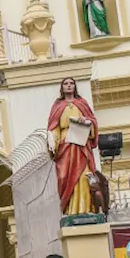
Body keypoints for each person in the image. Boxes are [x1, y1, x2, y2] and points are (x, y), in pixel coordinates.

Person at [48, 77, 99, 216]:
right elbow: (54, 126)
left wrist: (86, 121)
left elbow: (93, 121)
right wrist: (53, 141)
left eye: (71, 84)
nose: (69, 86)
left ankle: (86, 209)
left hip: (81, 144)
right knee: (64, 175)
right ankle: (69, 209)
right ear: (62, 87)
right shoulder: (57, 105)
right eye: (66, 84)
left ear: (75, 87)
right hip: (65, 145)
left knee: (83, 176)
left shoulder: (82, 103)